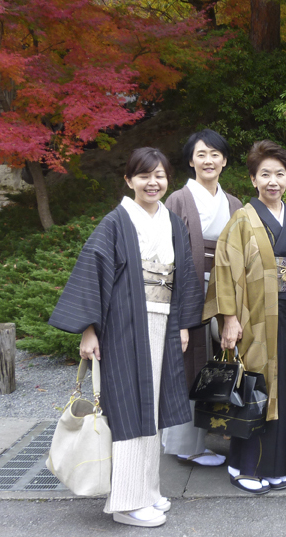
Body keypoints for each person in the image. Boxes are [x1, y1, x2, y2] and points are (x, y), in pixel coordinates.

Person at [48, 147, 203, 528]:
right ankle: (127, 501)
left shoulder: (170, 220)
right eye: (144, 175)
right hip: (123, 324)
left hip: (163, 323)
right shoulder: (116, 221)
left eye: (160, 175)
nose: (153, 183)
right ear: (128, 180)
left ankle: (147, 489)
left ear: (168, 179)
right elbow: (92, 272)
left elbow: (183, 276)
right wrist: (88, 329)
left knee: (151, 408)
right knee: (130, 408)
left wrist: (183, 323)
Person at [204, 140, 286, 494]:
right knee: (253, 388)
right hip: (252, 318)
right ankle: (243, 466)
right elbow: (225, 269)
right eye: (265, 174)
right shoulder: (242, 219)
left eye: (280, 174)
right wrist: (229, 318)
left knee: (282, 389)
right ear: (253, 180)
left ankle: (276, 465)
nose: (273, 181)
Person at [162, 129, 242, 468]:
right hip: (190, 287)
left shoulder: (235, 204)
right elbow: (168, 257)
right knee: (188, 365)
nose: (208, 160)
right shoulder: (178, 200)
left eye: (214, 154)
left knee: (224, 362)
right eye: (201, 154)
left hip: (225, 290)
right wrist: (178, 313)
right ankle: (184, 445)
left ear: (224, 160)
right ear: (191, 160)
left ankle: (222, 430)